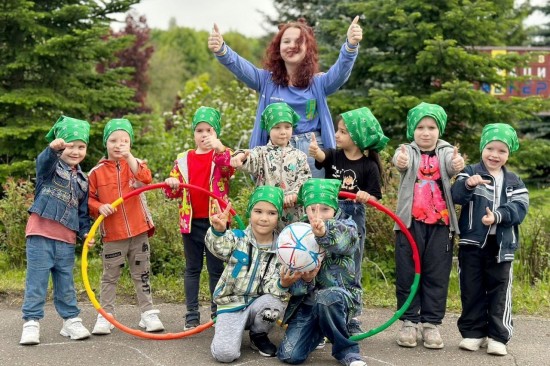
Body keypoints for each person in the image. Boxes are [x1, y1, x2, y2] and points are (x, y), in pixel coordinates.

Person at [208, 16, 363, 178]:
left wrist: (350, 46)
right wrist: (222, 50)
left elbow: (340, 73)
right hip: (275, 151)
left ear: (307, 48)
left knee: (314, 202)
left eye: (298, 42)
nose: (292, 46)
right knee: (277, 201)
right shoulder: (266, 81)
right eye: (286, 41)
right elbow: (240, 67)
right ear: (278, 48)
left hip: (312, 151)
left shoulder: (318, 83)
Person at [309, 106, 389, 336]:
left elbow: (374, 196)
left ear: (357, 138)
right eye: (338, 130)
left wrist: (366, 196)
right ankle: (323, 314)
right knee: (325, 263)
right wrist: (315, 151)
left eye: (343, 132)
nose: (336, 135)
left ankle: (352, 316)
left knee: (351, 268)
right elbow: (323, 157)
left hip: (353, 216)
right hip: (330, 215)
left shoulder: (369, 166)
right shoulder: (334, 154)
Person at [451, 123, 529, 356]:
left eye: (502, 151)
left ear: (509, 153)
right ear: (483, 147)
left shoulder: (514, 181)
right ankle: (473, 333)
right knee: (471, 288)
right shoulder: (470, 172)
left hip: (502, 246)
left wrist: (498, 216)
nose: (495, 155)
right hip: (472, 244)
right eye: (490, 148)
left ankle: (497, 336)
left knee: (499, 290)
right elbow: (456, 196)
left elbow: (520, 208)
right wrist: (467, 184)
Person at [392, 102, 465, 349]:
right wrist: (401, 160)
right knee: (407, 273)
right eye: (420, 127)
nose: (426, 132)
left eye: (431, 127)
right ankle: (410, 322)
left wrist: (457, 165)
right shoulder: (407, 150)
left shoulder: (445, 152)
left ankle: (431, 324)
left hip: (441, 224)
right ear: (413, 130)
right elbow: (400, 161)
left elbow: (452, 165)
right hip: (409, 225)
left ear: (439, 130)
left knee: (436, 274)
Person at [20, 116, 93, 345]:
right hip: (40, 235)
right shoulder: (50, 169)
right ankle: (31, 322)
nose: (75, 151)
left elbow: (82, 213)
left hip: (66, 239)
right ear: (61, 145)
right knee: (37, 281)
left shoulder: (83, 179)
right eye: (71, 146)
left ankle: (70, 321)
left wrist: (85, 233)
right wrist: (51, 150)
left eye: (81, 147)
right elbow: (42, 163)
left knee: (66, 283)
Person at [205, 186, 300, 362]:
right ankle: (230, 330)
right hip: (231, 304)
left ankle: (258, 334)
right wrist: (218, 231)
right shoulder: (236, 237)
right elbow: (218, 247)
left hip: (259, 304)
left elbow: (272, 287)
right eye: (258, 211)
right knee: (225, 355)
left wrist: (283, 284)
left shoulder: (281, 249)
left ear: (278, 216)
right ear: (250, 212)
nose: (264, 218)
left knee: (273, 303)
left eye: (271, 213)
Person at [277, 178, 367, 366]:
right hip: (308, 305)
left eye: (325, 209)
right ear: (305, 210)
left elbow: (346, 243)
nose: (318, 216)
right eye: (312, 209)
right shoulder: (296, 233)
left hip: (338, 300)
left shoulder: (348, 226)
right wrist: (306, 280)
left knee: (326, 297)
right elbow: (296, 289)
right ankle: (319, 331)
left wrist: (323, 234)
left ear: (334, 208)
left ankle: (347, 352)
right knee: (289, 356)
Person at [88, 118, 163, 334]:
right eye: (113, 140)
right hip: (113, 234)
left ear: (130, 144)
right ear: (105, 143)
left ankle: (147, 313)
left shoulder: (136, 165)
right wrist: (99, 206)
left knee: (142, 273)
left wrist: (130, 157)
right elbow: (89, 200)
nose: (118, 145)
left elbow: (146, 179)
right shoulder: (96, 172)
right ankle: (106, 315)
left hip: (139, 230)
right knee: (109, 276)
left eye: (124, 141)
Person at [164, 106, 235, 330]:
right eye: (199, 130)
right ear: (193, 134)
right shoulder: (183, 159)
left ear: (216, 133)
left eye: (209, 131)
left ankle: (217, 312)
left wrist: (220, 147)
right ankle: (192, 314)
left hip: (216, 223)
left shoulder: (223, 155)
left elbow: (229, 169)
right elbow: (171, 192)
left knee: (216, 269)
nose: (204, 135)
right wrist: (171, 183)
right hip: (191, 224)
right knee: (192, 269)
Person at [230, 102, 311, 231]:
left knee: (290, 248)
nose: (283, 132)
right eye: (277, 127)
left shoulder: (299, 156)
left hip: (292, 216)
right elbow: (250, 157)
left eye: (287, 127)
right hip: (265, 216)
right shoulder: (261, 153)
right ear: (268, 129)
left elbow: (305, 180)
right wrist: (240, 156)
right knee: (264, 246)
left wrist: (295, 195)